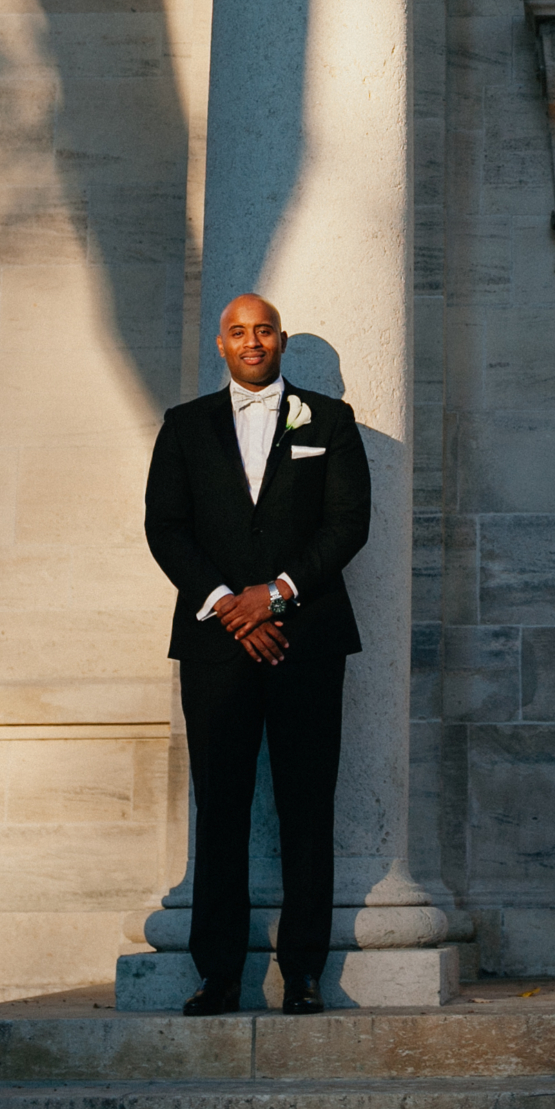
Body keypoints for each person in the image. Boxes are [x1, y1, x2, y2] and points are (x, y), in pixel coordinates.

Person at [145, 293, 371, 1017]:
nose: (252, 342)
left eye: (263, 330)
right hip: (216, 645)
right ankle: (218, 975)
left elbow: (347, 523)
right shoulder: (183, 427)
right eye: (238, 331)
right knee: (221, 809)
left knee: (308, 805)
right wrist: (229, 605)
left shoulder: (328, 422)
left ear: (280, 341)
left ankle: (303, 972)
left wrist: (273, 595)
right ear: (221, 343)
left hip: (306, 641)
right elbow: (166, 526)